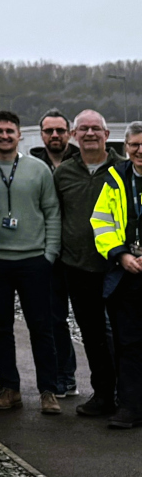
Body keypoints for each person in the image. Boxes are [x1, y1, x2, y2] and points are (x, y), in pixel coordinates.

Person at [0, 110, 63, 414]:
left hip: (33, 260)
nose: (4, 136)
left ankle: (48, 391)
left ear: (19, 135)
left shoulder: (38, 170)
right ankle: (9, 388)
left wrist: (49, 254)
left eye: (9, 131)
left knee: (42, 327)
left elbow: (52, 212)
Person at [55, 111, 123, 418]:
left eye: (97, 128)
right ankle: (104, 394)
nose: (90, 133)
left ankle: (129, 393)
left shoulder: (123, 169)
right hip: (78, 266)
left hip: (118, 267)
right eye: (84, 128)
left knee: (124, 334)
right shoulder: (64, 174)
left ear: (107, 135)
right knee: (92, 335)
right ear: (73, 134)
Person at [90, 122, 142, 428]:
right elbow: (101, 222)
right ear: (126, 147)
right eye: (134, 144)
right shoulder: (115, 179)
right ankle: (131, 406)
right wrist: (120, 254)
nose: (140, 151)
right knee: (129, 344)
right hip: (127, 275)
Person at [31, 109, 80, 397]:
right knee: (54, 319)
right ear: (42, 134)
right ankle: (64, 376)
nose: (55, 136)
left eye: (60, 130)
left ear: (69, 132)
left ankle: (113, 383)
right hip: (47, 254)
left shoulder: (80, 161)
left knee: (96, 322)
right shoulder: (32, 165)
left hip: (80, 253)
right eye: (49, 131)